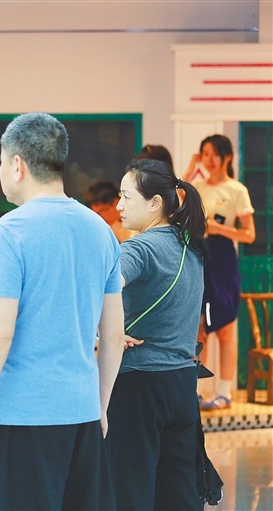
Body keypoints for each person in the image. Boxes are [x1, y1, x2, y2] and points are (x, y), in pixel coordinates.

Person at [0, 112, 124, 510]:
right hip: (83, 415)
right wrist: (100, 406)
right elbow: (114, 336)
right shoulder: (100, 230)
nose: (1, 170)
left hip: (24, 418)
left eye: (1, 161)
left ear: (18, 165)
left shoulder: (10, 230)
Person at [107, 158, 208, 510]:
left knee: (130, 493)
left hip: (139, 385)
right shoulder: (190, 247)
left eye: (125, 197)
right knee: (179, 495)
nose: (118, 206)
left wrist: (104, 333)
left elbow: (101, 288)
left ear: (154, 203)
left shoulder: (139, 248)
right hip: (182, 385)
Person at [184, 135, 255, 410]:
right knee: (198, 328)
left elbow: (249, 234)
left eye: (214, 154)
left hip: (223, 261)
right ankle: (195, 391)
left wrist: (219, 229)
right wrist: (190, 170)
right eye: (205, 154)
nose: (209, 159)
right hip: (199, 258)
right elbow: (174, 200)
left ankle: (224, 392)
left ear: (227, 157)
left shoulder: (237, 189)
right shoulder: (197, 187)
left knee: (225, 327)